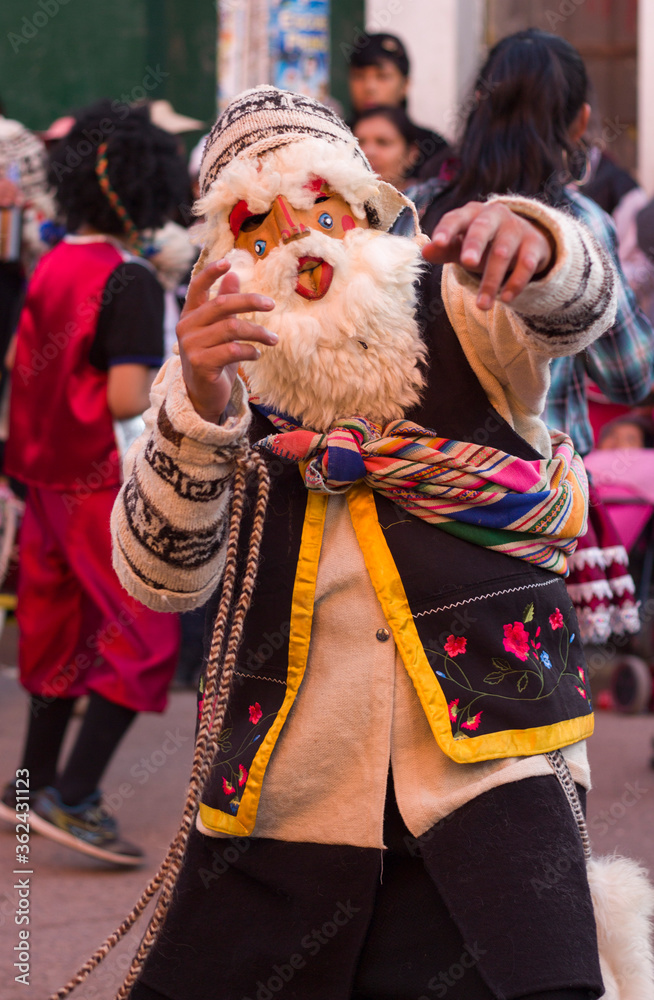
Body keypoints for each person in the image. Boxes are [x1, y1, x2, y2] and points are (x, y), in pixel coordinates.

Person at [79, 84, 637, 1000]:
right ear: (223, 249)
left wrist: (541, 245)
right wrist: (200, 411)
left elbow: (576, 312)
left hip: (489, 767)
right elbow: (162, 579)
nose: (299, 243)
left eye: (322, 205)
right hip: (293, 787)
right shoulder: (218, 370)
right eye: (258, 224)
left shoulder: (454, 298)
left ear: (367, 207)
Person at [402, 28, 654, 643]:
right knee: (536, 709)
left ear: (477, 109)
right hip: (535, 508)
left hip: (420, 501)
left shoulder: (412, 215)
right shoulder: (580, 227)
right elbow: (632, 374)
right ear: (581, 123)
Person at [0, 100, 186, 865]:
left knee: (57, 634)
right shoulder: (131, 281)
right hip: (101, 491)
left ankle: (30, 785)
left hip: (40, 482)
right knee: (146, 636)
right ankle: (73, 798)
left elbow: (20, 366)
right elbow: (122, 400)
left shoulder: (54, 263)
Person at [347, 32, 449, 180]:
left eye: (382, 76)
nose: (369, 87)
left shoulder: (433, 148)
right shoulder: (331, 139)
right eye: (359, 76)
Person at [352, 105, 420, 191]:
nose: (368, 152)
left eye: (383, 142)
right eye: (359, 142)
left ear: (412, 154)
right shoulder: (334, 199)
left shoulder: (432, 201)